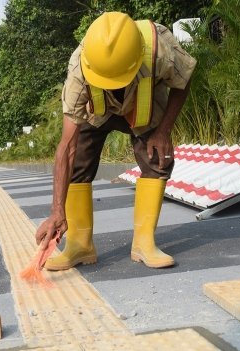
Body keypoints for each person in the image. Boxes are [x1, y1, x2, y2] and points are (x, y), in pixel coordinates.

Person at [35, 12, 197, 270]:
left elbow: (183, 80)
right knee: (77, 161)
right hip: (97, 112)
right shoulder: (79, 67)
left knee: (158, 158)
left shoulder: (159, 48)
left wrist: (163, 131)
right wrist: (57, 211)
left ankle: (144, 243)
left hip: (143, 108)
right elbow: (66, 147)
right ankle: (80, 245)